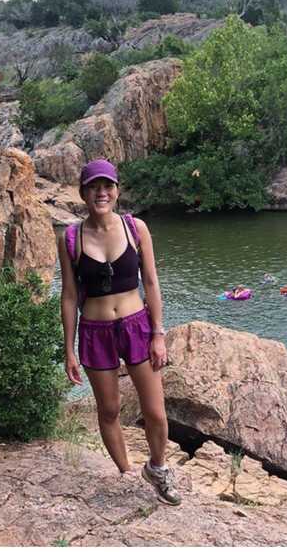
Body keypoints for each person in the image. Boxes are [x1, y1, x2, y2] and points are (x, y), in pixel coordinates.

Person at [58, 159, 181, 505]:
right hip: (95, 331)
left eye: (107, 186)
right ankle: (127, 473)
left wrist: (158, 333)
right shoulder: (70, 237)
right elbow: (69, 296)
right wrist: (69, 349)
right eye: (94, 187)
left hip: (136, 326)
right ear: (83, 193)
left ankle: (157, 468)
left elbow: (152, 283)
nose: (102, 192)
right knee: (109, 410)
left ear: (117, 190)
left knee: (155, 411)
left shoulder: (135, 228)